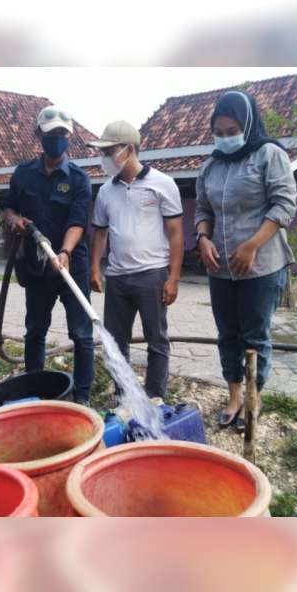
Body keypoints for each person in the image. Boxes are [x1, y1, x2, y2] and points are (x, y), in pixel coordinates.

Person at [194, 90, 297, 431]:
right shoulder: (211, 165)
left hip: (261, 265)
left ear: (248, 124)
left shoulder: (269, 155)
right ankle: (234, 395)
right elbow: (203, 209)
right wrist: (203, 237)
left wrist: (252, 245)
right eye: (219, 132)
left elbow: (284, 205)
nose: (225, 138)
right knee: (228, 333)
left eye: (231, 130)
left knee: (254, 334)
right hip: (221, 267)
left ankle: (254, 397)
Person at [1, 105, 95, 405]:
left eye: (62, 134)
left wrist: (65, 251)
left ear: (69, 137)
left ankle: (82, 397)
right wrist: (15, 221)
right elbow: (9, 207)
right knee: (35, 331)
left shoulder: (79, 179)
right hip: (36, 265)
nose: (56, 138)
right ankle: (34, 390)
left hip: (71, 266)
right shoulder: (23, 174)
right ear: (39, 135)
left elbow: (78, 221)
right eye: (50, 133)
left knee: (81, 334)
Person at [89, 121, 184, 398]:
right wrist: (96, 267)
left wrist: (174, 278)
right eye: (102, 152)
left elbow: (176, 234)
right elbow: (100, 233)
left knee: (156, 341)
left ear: (130, 150)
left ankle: (155, 398)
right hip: (117, 277)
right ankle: (125, 397)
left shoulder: (163, 184)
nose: (104, 158)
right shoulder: (106, 191)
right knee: (116, 344)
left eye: (109, 151)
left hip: (152, 275)